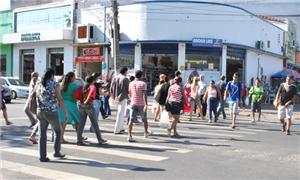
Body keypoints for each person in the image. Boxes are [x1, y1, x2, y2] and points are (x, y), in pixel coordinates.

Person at [36, 68, 67, 162]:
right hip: (51, 112)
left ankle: (42, 156)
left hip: (40, 111)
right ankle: (57, 152)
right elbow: (60, 99)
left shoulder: (39, 84)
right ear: (52, 75)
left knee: (42, 134)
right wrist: (65, 112)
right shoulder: (54, 84)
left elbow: (35, 96)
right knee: (58, 131)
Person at [77, 76, 107, 145]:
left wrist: (82, 102)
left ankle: (79, 140)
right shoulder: (92, 86)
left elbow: (76, 95)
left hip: (81, 105)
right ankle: (100, 139)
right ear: (93, 81)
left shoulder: (82, 86)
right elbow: (90, 95)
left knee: (81, 124)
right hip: (89, 106)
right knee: (95, 123)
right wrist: (87, 100)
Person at [58, 72, 81, 143]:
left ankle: (61, 138)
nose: (75, 78)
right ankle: (79, 138)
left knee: (63, 122)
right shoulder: (75, 85)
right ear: (71, 78)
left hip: (62, 105)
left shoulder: (61, 85)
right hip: (72, 105)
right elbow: (79, 96)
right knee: (77, 121)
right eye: (74, 77)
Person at [128, 70, 150, 142]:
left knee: (131, 120)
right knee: (144, 119)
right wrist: (146, 104)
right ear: (141, 76)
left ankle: (129, 135)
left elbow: (130, 94)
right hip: (141, 104)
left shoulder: (131, 83)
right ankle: (145, 133)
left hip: (133, 103)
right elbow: (144, 95)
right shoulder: (143, 83)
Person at [110, 67, 130, 134]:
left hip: (116, 96)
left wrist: (113, 96)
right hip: (123, 96)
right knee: (121, 113)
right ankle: (117, 129)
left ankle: (121, 128)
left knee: (120, 112)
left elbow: (111, 88)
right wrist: (129, 98)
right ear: (125, 71)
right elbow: (128, 90)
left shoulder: (115, 77)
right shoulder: (125, 79)